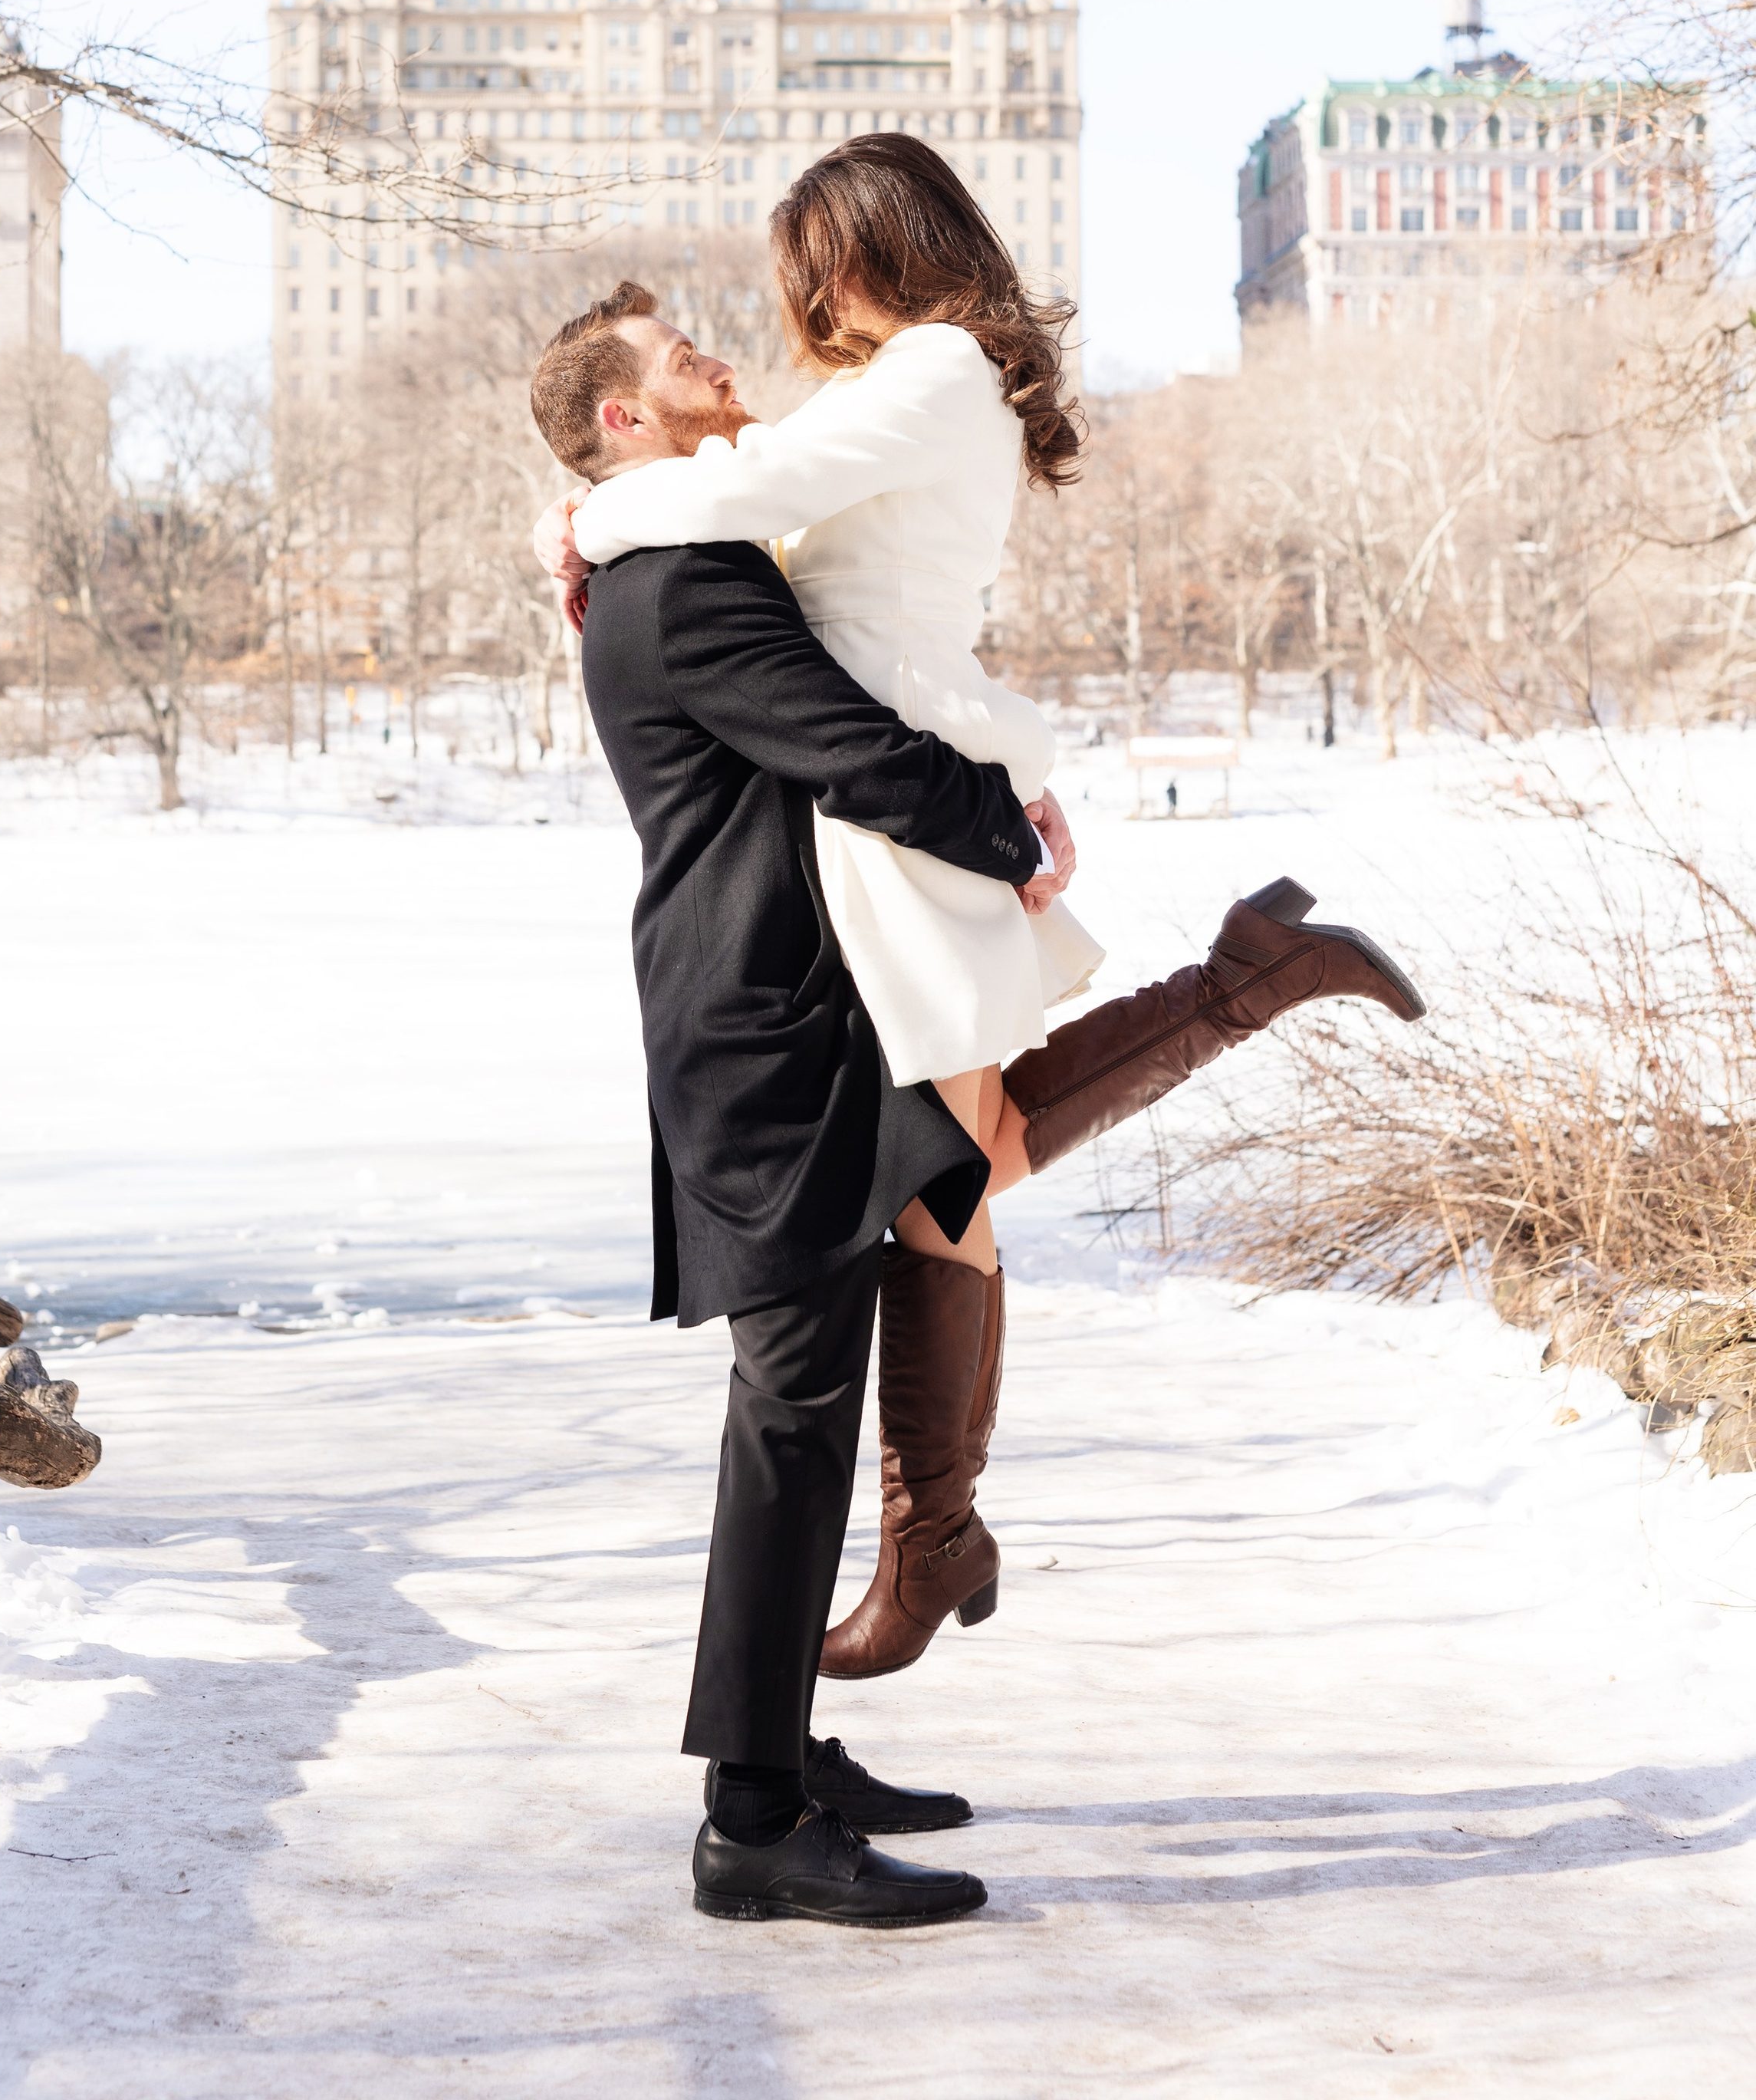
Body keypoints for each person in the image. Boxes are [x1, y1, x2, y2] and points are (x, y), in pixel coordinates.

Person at [534, 137, 1426, 1684]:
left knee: (961, 1160)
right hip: (901, 784)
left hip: (896, 798)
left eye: (812, 274)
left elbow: (759, 492)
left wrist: (587, 524)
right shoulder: (917, 381)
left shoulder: (936, 370)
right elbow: (783, 508)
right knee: (959, 1160)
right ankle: (934, 1535)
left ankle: (934, 1535)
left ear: (874, 253)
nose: (798, 309)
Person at [528, 280, 1053, 1927]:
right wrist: (1012, 829)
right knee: (794, 1407)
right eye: (681, 359)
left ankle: (778, 1755)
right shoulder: (682, 580)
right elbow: (847, 746)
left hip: (780, 1014)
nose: (718, 362)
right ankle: (751, 1823)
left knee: (823, 1372)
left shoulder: (672, 556)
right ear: (626, 419)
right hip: (765, 1032)